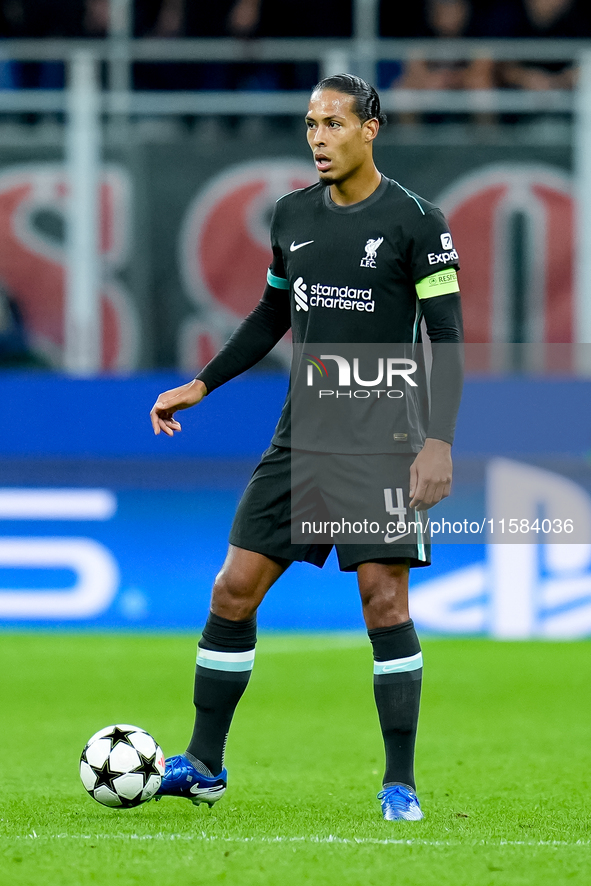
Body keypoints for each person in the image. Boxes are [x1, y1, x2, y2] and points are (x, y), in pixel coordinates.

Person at [149, 74, 463, 821]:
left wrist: (439, 443)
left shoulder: (418, 222)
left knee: (382, 604)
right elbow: (270, 312)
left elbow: (445, 340)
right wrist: (204, 383)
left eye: (332, 123)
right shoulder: (292, 215)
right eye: (309, 124)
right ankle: (203, 763)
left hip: (385, 443)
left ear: (370, 128)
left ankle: (399, 783)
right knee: (232, 589)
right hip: (301, 440)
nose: (317, 137)